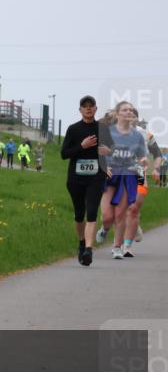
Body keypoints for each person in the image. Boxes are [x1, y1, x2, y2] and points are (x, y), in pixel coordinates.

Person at [60, 96, 108, 266]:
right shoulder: (73, 129)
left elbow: (111, 150)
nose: (88, 109)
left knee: (92, 211)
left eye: (91, 106)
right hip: (76, 179)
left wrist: (107, 151)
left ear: (96, 109)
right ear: (80, 110)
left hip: (96, 177)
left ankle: (88, 249)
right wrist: (82, 146)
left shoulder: (102, 128)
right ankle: (81, 243)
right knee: (79, 213)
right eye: (84, 106)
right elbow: (64, 154)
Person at [96, 102, 147, 259]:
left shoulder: (137, 136)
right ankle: (104, 229)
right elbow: (98, 152)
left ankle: (117, 247)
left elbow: (141, 155)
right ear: (117, 114)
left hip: (128, 175)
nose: (128, 112)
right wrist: (104, 166)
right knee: (107, 216)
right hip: (110, 175)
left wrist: (144, 160)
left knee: (120, 213)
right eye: (125, 109)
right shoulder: (107, 132)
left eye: (130, 110)